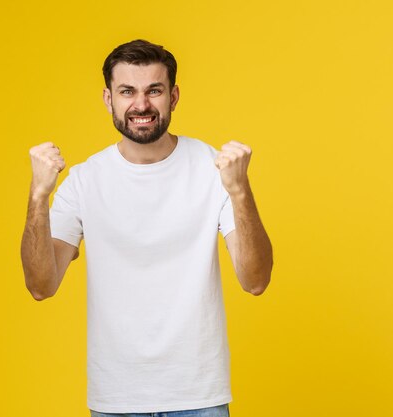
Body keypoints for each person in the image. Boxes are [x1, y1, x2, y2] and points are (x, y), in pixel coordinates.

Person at [20, 39, 273, 417]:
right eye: (127, 92)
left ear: (173, 96)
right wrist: (38, 196)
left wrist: (240, 190)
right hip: (117, 399)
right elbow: (41, 285)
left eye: (153, 90)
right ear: (109, 99)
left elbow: (255, 280)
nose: (141, 105)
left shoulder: (213, 170)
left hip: (198, 397)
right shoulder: (85, 181)